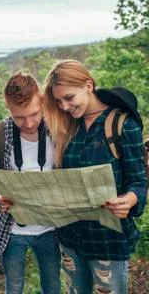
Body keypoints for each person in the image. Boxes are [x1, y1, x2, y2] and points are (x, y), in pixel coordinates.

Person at [43, 59, 147, 294]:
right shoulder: (66, 126)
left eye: (69, 98)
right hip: (70, 238)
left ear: (88, 85)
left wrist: (129, 200)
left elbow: (139, 182)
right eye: (58, 101)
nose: (64, 106)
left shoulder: (122, 125)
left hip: (107, 240)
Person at [0, 72, 61, 294]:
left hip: (51, 227)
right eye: (19, 117)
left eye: (34, 114)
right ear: (8, 109)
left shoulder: (58, 128)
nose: (29, 123)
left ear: (42, 100)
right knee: (14, 288)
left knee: (53, 286)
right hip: (12, 229)